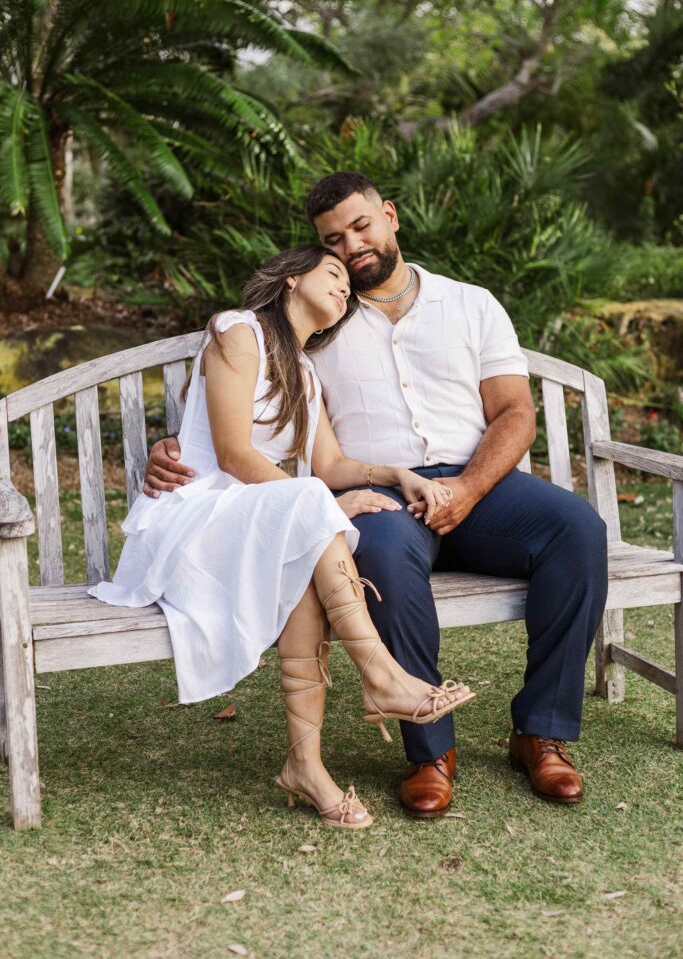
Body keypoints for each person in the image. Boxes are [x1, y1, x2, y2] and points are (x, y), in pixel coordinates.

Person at [144, 171, 609, 816]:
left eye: (361, 226)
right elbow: (256, 407)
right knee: (384, 556)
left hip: (477, 478)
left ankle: (542, 733)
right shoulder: (322, 323)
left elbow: (515, 414)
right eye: (333, 241)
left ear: (389, 216)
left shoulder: (470, 304)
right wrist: (170, 445)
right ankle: (429, 751)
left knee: (576, 529)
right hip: (380, 493)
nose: (351, 246)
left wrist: (468, 490)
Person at [89, 244, 474, 831]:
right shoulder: (237, 331)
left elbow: (332, 462)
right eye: (332, 274)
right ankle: (378, 673)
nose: (345, 289)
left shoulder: (307, 372)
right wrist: (321, 501)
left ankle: (306, 766)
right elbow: (233, 453)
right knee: (303, 513)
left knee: (300, 547)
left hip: (251, 518)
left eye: (349, 285)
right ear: (292, 279)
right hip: (191, 519)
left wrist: (393, 475)